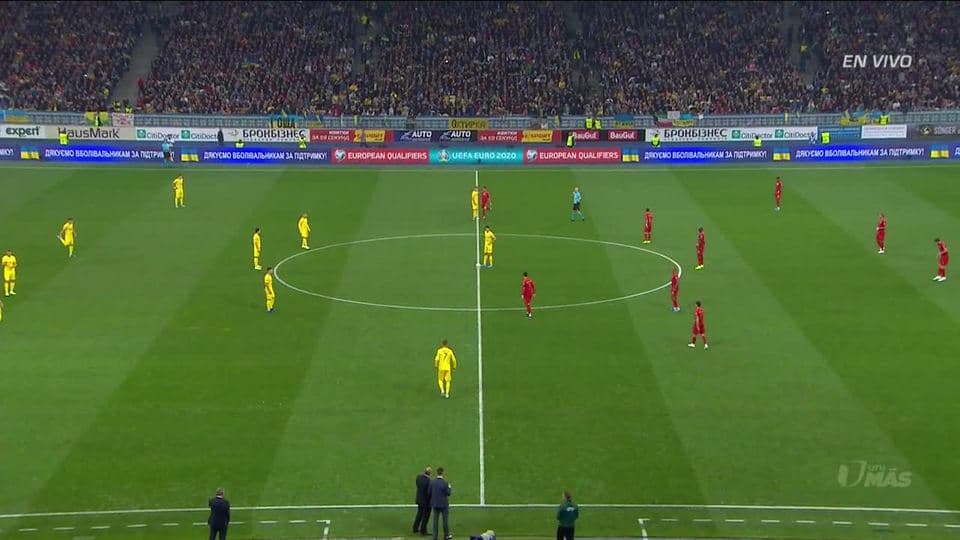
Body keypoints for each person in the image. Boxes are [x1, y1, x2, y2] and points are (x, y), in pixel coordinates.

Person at [429, 467, 453, 540]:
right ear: (442, 473)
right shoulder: (445, 483)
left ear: (437, 473)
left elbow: (429, 492)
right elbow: (448, 493)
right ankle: (446, 535)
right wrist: (449, 487)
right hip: (444, 505)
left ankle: (435, 537)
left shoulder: (432, 482)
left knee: (435, 521)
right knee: (445, 521)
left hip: (435, 504)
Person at [413, 466, 433, 535]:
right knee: (426, 517)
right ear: (430, 473)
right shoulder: (429, 481)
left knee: (419, 514)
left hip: (419, 499)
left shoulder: (418, 477)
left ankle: (415, 528)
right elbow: (429, 492)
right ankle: (423, 530)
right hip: (426, 502)